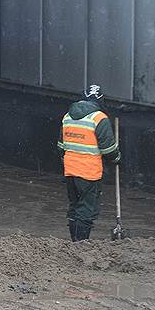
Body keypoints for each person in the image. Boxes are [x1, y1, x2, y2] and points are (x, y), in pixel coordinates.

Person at [57, 84, 120, 241]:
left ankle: (74, 243)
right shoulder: (99, 119)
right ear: (100, 100)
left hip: (70, 172)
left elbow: (60, 147)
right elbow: (108, 149)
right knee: (86, 209)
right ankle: (81, 245)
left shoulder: (67, 117)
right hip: (89, 173)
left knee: (74, 207)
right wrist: (117, 158)